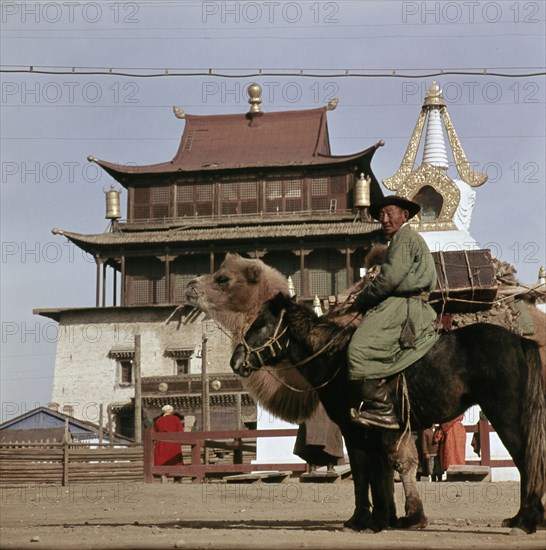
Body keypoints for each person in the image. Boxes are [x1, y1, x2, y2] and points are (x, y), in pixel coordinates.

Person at [348, 195, 439, 429]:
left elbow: (389, 279)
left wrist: (362, 300)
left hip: (405, 306)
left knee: (358, 349)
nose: (385, 219)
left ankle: (382, 408)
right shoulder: (401, 239)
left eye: (390, 213)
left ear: (404, 216)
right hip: (403, 302)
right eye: (381, 215)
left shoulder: (405, 238)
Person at [293, 401, 344, 473]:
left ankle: (327, 466)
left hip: (327, 404)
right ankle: (316, 466)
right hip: (314, 404)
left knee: (330, 435)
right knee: (312, 435)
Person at [154, 404, 184, 481]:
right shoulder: (176, 419)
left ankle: (163, 476)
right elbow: (181, 432)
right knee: (174, 459)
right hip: (174, 444)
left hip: (161, 444)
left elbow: (154, 433)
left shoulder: (158, 420)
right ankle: (176, 476)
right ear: (171, 411)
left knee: (162, 459)